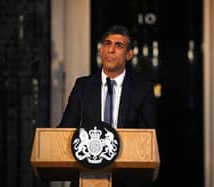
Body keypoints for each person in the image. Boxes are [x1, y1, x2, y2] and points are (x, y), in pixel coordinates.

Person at [58, 25, 157, 187]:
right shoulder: (82, 86)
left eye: (119, 46)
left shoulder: (142, 89)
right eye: (107, 44)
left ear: (129, 54)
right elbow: (66, 129)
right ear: (101, 50)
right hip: (86, 176)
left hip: (127, 180)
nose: (111, 50)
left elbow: (148, 137)